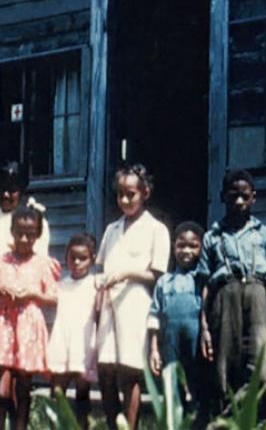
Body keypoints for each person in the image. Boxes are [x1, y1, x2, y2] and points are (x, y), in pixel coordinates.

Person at [198, 169, 266, 412]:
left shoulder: (265, 234)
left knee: (264, 374)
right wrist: (204, 326)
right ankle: (231, 418)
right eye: (233, 196)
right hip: (224, 297)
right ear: (223, 197)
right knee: (224, 371)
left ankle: (225, 423)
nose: (239, 202)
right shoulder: (213, 236)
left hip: (258, 297)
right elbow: (205, 285)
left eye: (244, 196)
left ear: (253, 197)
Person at [96, 163, 170, 430]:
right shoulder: (112, 229)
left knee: (129, 371)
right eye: (120, 195)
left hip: (136, 302)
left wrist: (127, 273)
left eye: (131, 194)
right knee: (105, 369)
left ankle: (130, 425)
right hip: (109, 302)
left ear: (145, 193)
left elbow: (157, 274)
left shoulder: (156, 229)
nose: (125, 200)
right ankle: (112, 423)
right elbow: (101, 266)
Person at [0, 203, 57, 430]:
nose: (24, 239)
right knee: (2, 390)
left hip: (28, 328)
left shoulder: (43, 263)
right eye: (20, 233)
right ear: (12, 232)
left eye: (30, 235)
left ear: (38, 236)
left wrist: (33, 294)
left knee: (23, 388)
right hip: (3, 325)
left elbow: (53, 297)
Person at [148, 221, 204, 403]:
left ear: (202, 247)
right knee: (172, 385)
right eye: (181, 245)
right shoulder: (165, 281)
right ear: (174, 247)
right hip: (171, 342)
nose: (186, 251)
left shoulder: (203, 281)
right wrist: (154, 349)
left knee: (197, 385)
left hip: (197, 343)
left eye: (193, 246)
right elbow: (154, 316)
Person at [48, 233, 98, 430]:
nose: (76, 262)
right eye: (72, 257)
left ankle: (81, 426)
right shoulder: (61, 285)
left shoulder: (96, 284)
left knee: (82, 392)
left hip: (84, 344)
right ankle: (55, 424)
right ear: (66, 257)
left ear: (92, 259)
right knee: (57, 390)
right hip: (63, 341)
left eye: (82, 258)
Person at [0, 161, 50, 257]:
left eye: (12, 190)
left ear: (22, 192)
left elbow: (39, 255)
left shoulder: (34, 220)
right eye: (1, 189)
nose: (5, 195)